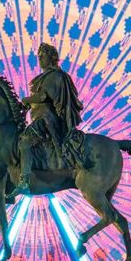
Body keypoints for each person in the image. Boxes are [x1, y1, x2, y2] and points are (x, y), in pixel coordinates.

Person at [12, 42, 84, 196]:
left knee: (24, 140)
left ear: (51, 58)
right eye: (38, 56)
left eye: (42, 56)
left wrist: (26, 100)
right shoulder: (47, 76)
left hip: (47, 119)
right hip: (39, 117)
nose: (39, 59)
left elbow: (44, 96)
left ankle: (24, 181)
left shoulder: (55, 76)